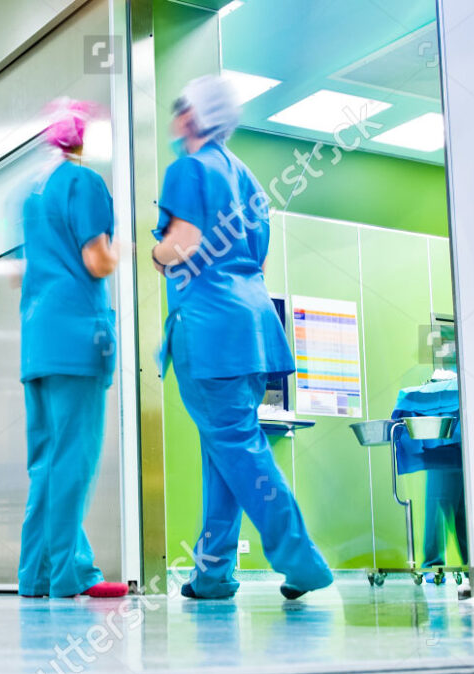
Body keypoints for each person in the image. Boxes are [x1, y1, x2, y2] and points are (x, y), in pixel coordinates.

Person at [152, 75, 333, 600]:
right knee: (225, 452)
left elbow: (181, 245)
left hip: (209, 333)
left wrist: (155, 250)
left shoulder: (187, 169)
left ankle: (302, 562)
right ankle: (212, 575)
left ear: (192, 118)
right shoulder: (246, 176)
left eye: (178, 109)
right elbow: (256, 258)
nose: (173, 119)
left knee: (241, 451)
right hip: (252, 328)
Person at [17, 99, 126, 599]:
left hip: (38, 341)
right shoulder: (84, 183)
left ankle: (35, 575)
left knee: (45, 460)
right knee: (74, 460)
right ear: (83, 138)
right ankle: (69, 574)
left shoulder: (32, 196)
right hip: (78, 338)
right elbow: (97, 260)